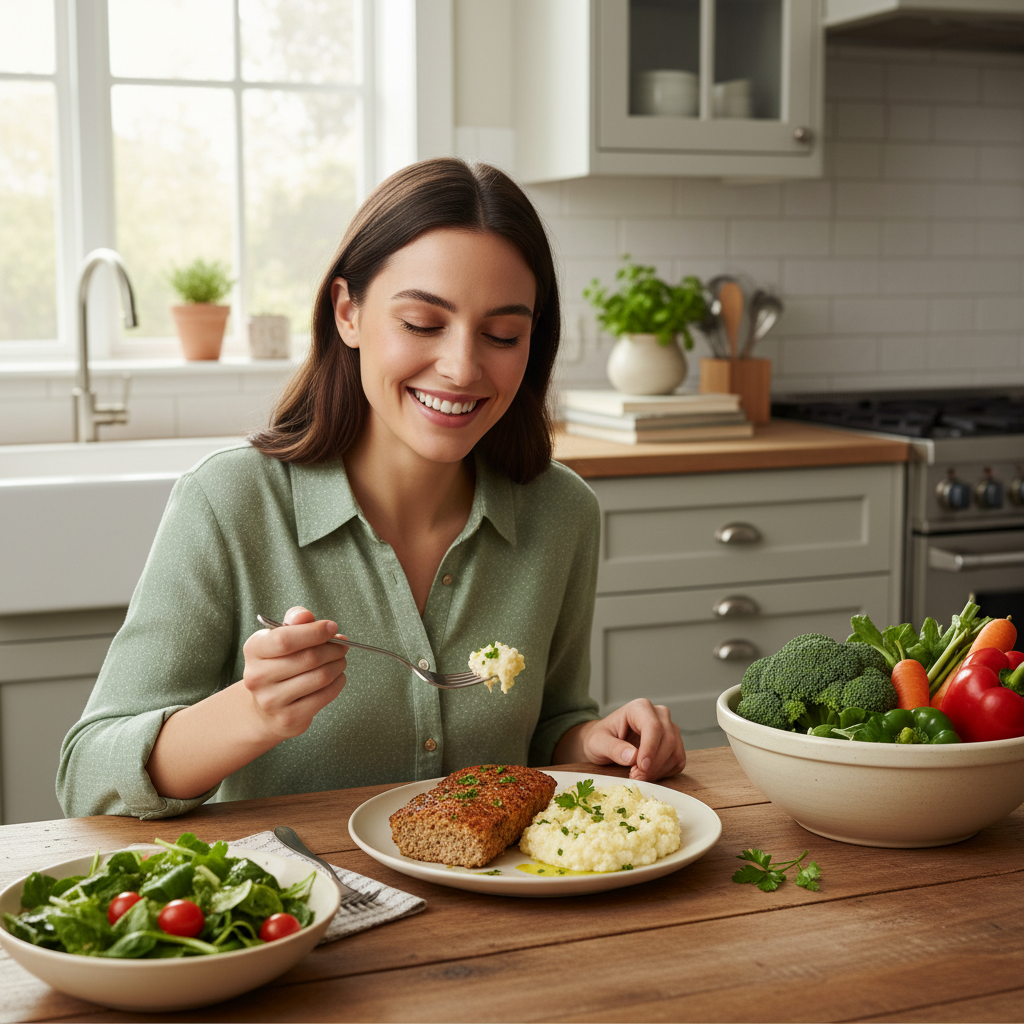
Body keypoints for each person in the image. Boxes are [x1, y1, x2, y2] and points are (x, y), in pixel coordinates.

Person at [58, 158, 685, 820]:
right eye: (421, 323)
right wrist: (252, 711)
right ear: (348, 313)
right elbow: (86, 776)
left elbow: (547, 723)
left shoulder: (563, 514)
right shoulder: (230, 503)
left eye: (503, 334)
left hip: (499, 917)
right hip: (300, 911)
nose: (462, 367)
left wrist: (592, 740)